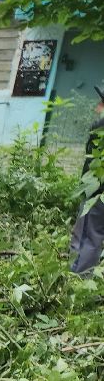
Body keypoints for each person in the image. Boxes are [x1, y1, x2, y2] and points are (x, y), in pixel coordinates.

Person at [74, 87, 104, 276]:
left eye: (101, 102)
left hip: (97, 192)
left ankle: (79, 281)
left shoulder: (100, 127)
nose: (97, 107)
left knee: (87, 235)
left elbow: (92, 164)